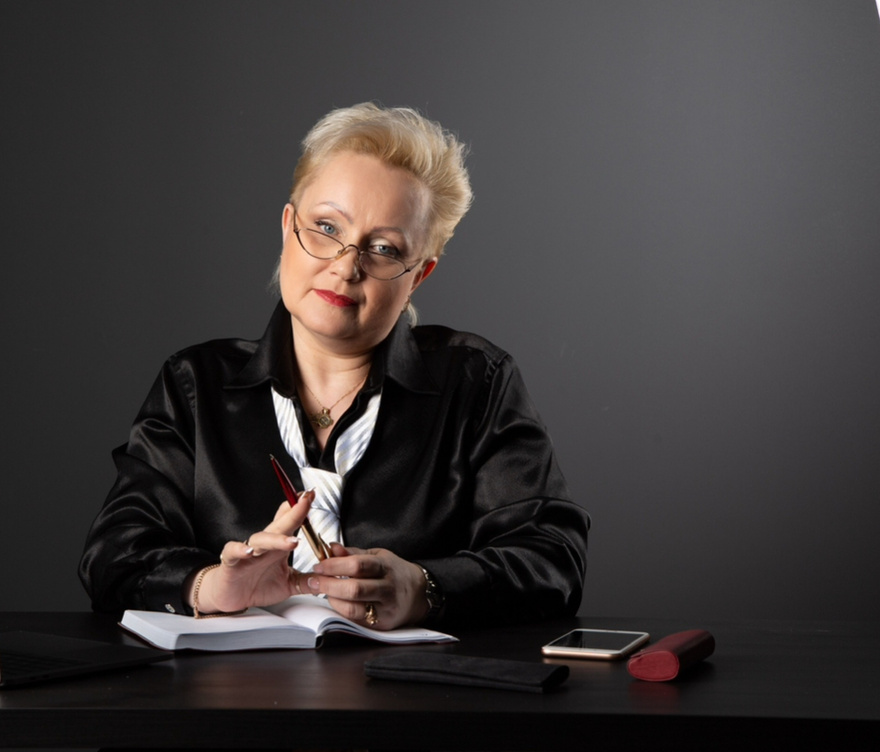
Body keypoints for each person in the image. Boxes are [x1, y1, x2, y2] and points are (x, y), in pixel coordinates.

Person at [79, 102, 588, 630]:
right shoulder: (195, 384)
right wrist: (208, 585)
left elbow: (553, 559)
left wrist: (425, 587)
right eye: (325, 227)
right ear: (287, 228)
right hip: (225, 682)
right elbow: (113, 555)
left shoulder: (476, 383)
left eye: (384, 248)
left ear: (419, 276)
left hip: (409, 684)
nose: (346, 267)